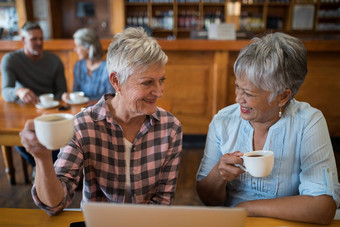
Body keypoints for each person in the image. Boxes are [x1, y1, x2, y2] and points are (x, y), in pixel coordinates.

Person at [19, 27, 183, 216]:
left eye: (161, 80)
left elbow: (163, 203)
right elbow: (54, 204)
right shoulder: (83, 124)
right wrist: (42, 158)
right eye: (147, 83)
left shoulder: (170, 128)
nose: (159, 91)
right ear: (116, 81)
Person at [196, 32, 340, 224]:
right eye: (238, 86)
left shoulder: (307, 122)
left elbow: (322, 208)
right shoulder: (223, 121)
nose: (238, 98)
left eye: (248, 93)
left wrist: (247, 208)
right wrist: (218, 174)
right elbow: (209, 200)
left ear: (282, 97)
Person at [1, 21, 67, 168]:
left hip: (50, 112)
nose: (39, 42)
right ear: (23, 40)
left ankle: (49, 168)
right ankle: (40, 166)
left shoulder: (55, 61)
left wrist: (64, 96)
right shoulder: (10, 60)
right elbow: (6, 91)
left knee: (58, 138)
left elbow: (61, 92)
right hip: (25, 112)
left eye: (41, 38)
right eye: (33, 39)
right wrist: (19, 91)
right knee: (20, 136)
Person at [62, 28, 115, 102]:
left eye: (78, 46)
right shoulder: (78, 66)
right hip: (82, 109)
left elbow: (112, 98)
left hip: (102, 110)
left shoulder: (107, 68)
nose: (75, 50)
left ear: (88, 48)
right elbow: (76, 92)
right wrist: (68, 96)